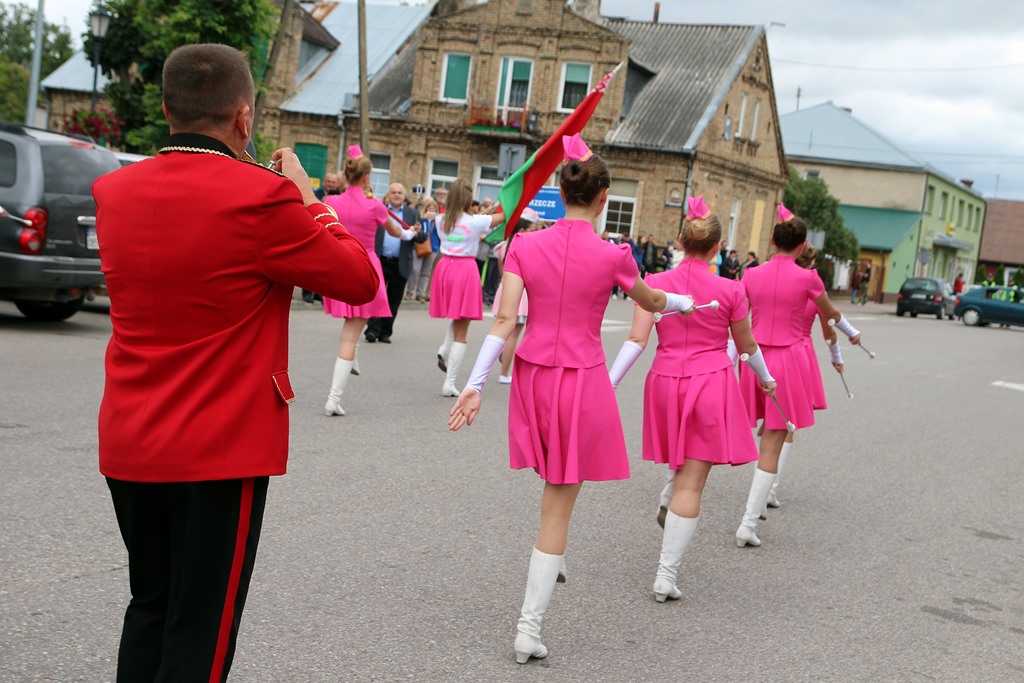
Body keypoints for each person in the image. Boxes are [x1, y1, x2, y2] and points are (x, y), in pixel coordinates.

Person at [91, 43, 379, 682]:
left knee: (150, 606)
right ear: (244, 117)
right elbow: (359, 279)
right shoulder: (263, 198)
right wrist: (308, 196)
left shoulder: (114, 190)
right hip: (218, 448)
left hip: (130, 435)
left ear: (167, 109)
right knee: (200, 628)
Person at [448, 134, 694, 664]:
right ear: (603, 197)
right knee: (559, 506)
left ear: (561, 193)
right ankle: (528, 628)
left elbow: (504, 320)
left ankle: (551, 558)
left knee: (553, 487)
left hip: (533, 378)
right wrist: (683, 301)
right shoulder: (614, 255)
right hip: (581, 380)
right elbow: (652, 300)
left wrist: (475, 383)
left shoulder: (524, 245)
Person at [607, 196, 773, 603]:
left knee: (680, 459)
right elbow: (747, 347)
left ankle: (669, 494)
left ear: (681, 241)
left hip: (665, 381)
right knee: (693, 482)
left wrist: (608, 383)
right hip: (709, 382)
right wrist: (766, 379)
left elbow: (636, 340)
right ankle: (665, 575)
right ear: (716, 248)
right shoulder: (731, 289)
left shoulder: (655, 281)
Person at [734, 204, 862, 548]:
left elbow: (737, 316)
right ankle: (748, 523)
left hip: (754, 359)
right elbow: (830, 314)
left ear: (772, 241)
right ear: (803, 245)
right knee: (772, 443)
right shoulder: (809, 278)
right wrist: (851, 334)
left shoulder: (751, 275)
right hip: (787, 362)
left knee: (763, 432)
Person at [322, 146, 417, 415]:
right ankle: (333, 399)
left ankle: (352, 359)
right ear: (366, 178)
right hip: (364, 265)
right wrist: (410, 233)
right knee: (351, 334)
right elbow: (395, 231)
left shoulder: (332, 202)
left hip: (340, 265)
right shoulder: (374, 205)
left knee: (352, 322)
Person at [761, 245, 844, 514]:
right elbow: (830, 329)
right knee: (786, 425)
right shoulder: (811, 287)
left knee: (772, 421)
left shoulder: (777, 282)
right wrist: (837, 356)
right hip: (797, 353)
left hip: (765, 350)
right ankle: (768, 489)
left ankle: (765, 486)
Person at [430, 178, 506, 396]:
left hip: (445, 267)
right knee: (462, 327)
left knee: (456, 313)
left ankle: (445, 349)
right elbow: (503, 216)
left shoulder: (439, 219)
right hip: (464, 269)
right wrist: (508, 197)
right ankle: (449, 382)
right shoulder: (475, 222)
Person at [365, 183, 424, 343]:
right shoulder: (380, 209)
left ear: (404, 196)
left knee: (394, 300)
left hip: (401, 263)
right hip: (380, 260)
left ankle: (386, 332)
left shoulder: (413, 214)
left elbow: (421, 238)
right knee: (376, 297)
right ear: (388, 195)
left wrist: (418, 232)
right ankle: (372, 330)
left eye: (400, 192)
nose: (397, 195)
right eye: (394, 192)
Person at [491, 207, 542, 384]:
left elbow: (502, 272)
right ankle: (504, 372)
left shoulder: (502, 246)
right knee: (513, 334)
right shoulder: (528, 248)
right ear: (522, 230)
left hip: (504, 289)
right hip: (520, 293)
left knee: (501, 330)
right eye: (531, 229)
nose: (534, 233)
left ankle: (500, 357)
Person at [407, 195, 440, 302]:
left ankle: (420, 293)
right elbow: (416, 229)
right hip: (419, 246)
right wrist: (423, 219)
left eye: (433, 209)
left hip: (433, 248)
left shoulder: (438, 222)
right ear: (425, 209)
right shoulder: (421, 219)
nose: (431, 211)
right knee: (415, 270)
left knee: (426, 272)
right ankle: (409, 291)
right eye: (429, 208)